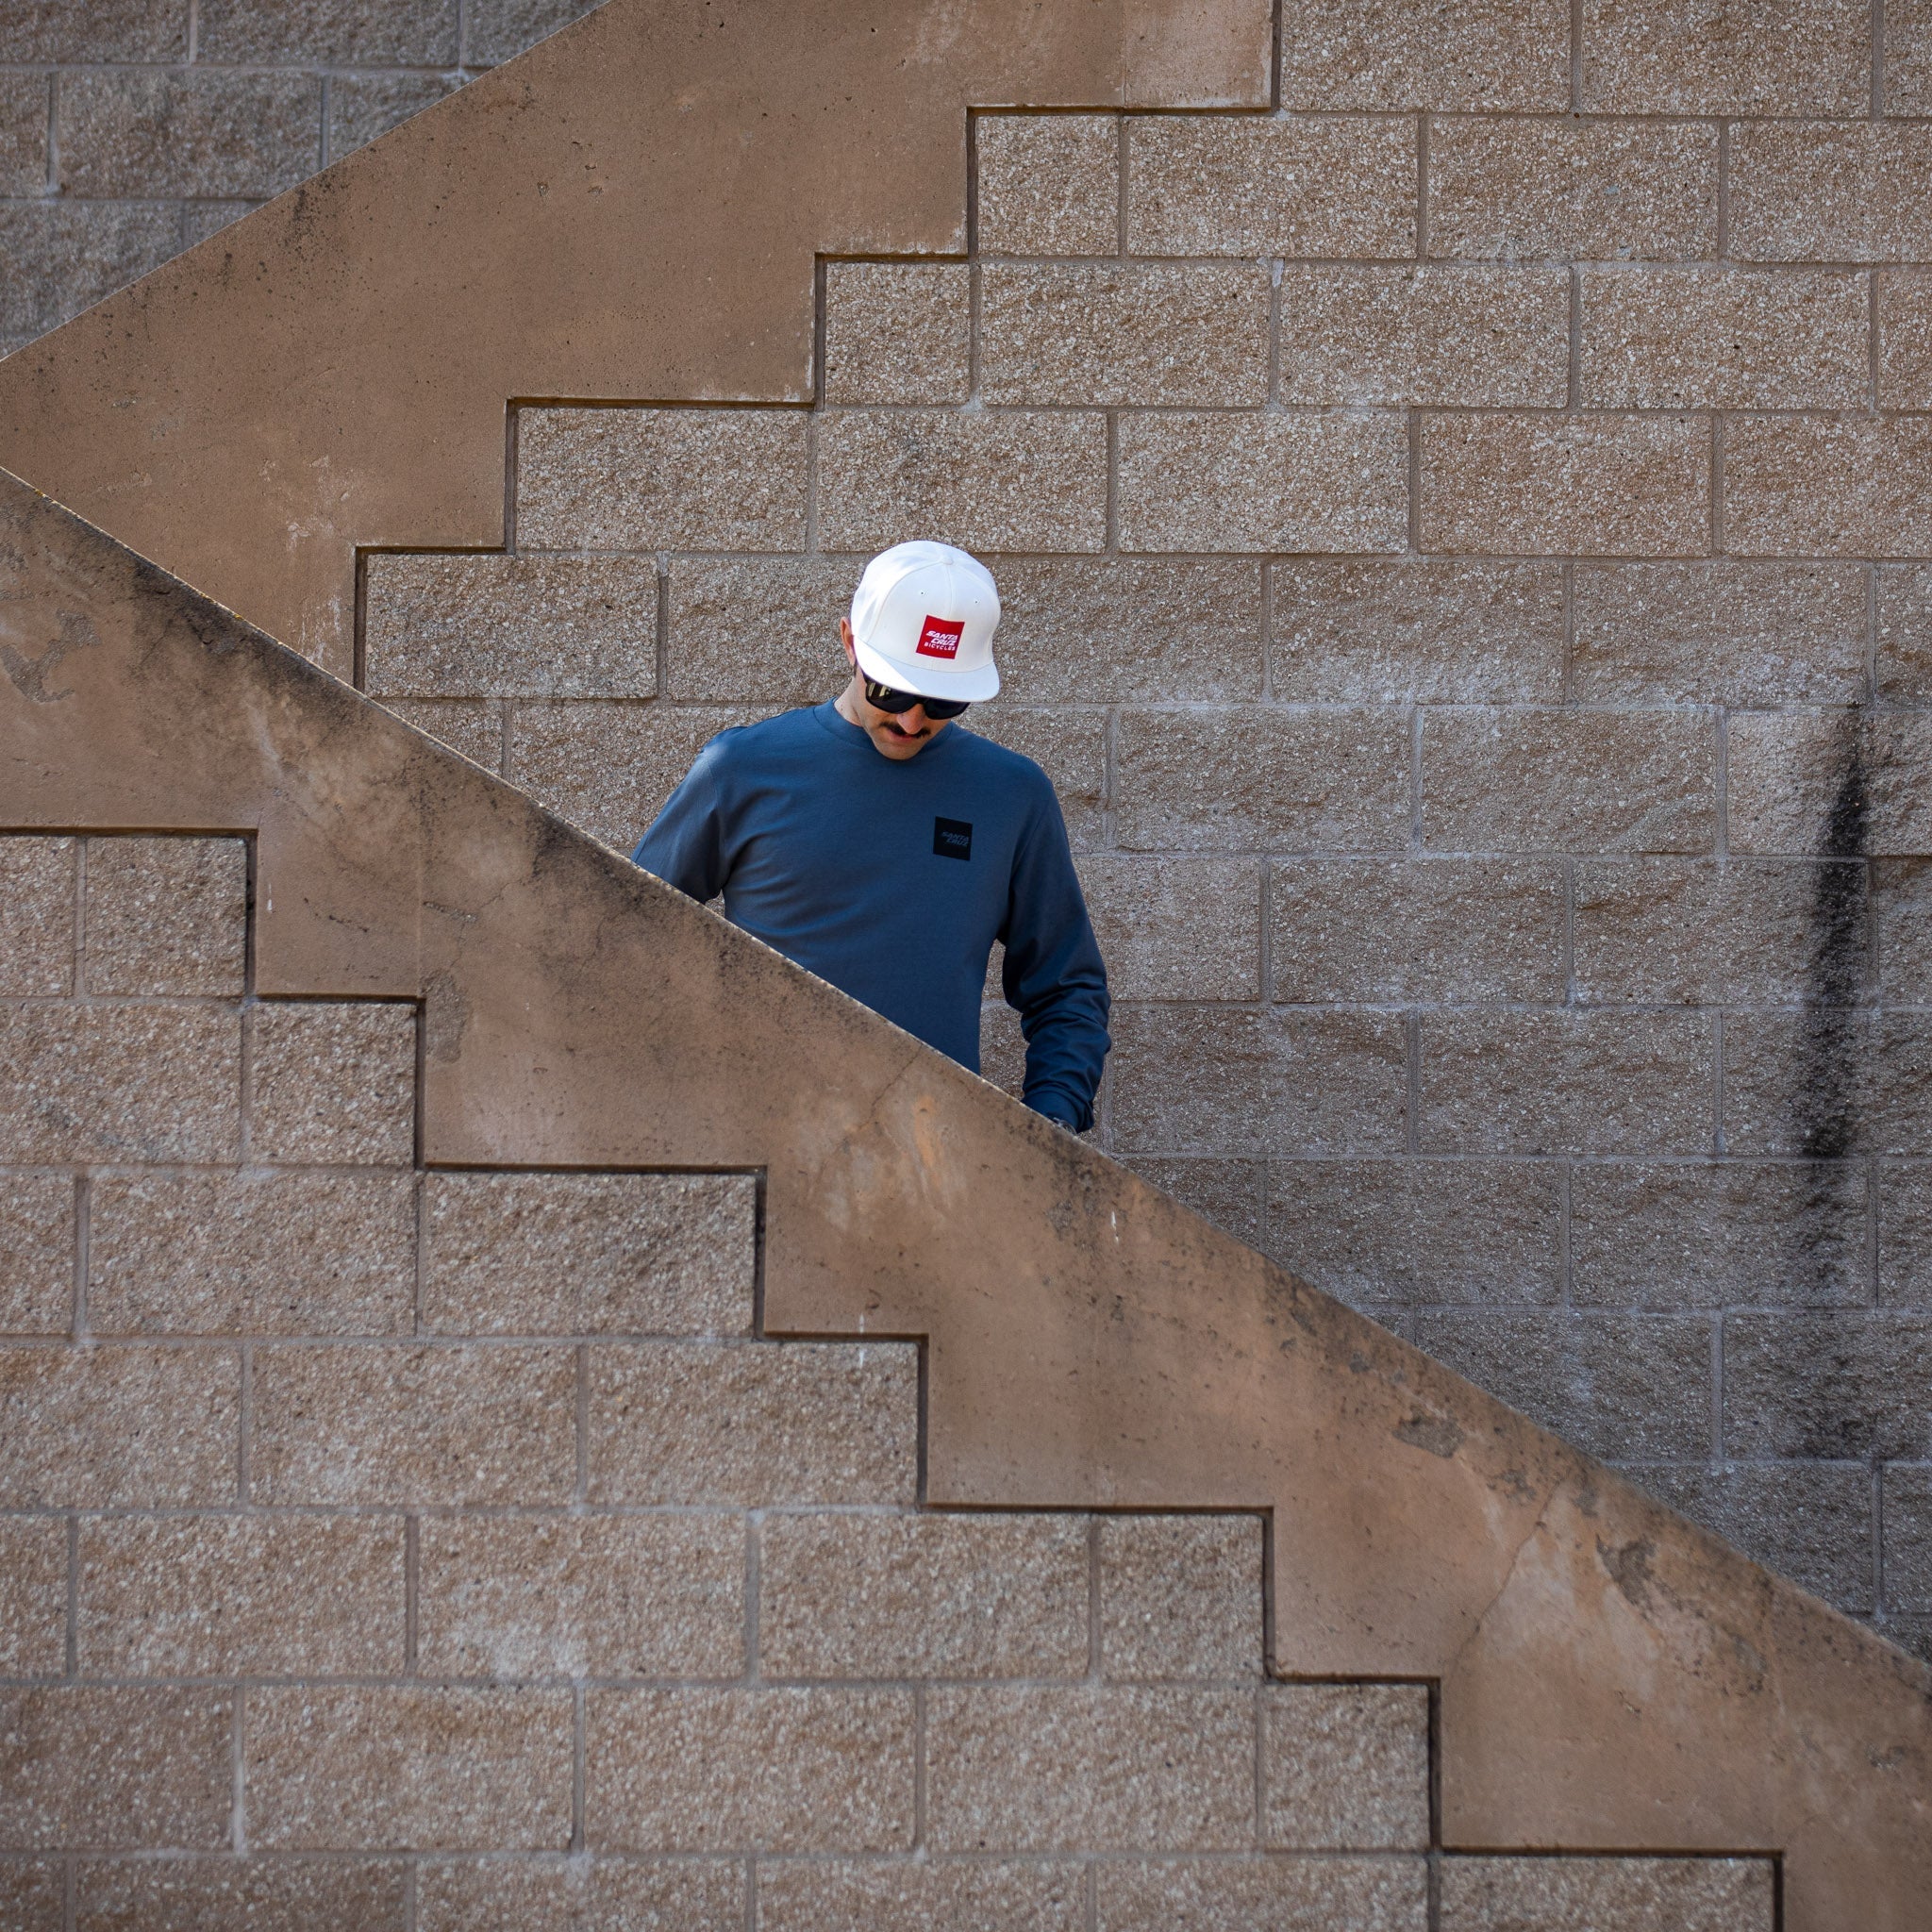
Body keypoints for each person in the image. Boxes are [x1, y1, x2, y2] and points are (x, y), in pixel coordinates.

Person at [632, 540, 1109, 1131]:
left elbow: (1067, 987)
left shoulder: (1012, 795)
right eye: (894, 691)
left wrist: (1051, 1126)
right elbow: (628, 932)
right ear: (850, 643)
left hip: (931, 1165)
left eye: (942, 702)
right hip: (763, 1147)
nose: (913, 722)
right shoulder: (741, 768)